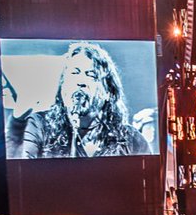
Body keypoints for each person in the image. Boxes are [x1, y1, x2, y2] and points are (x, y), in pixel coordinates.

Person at [21, 41, 151, 158]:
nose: (80, 81)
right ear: (63, 86)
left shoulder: (132, 140)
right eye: (74, 73)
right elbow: (23, 173)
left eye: (91, 75)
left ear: (108, 92)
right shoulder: (40, 125)